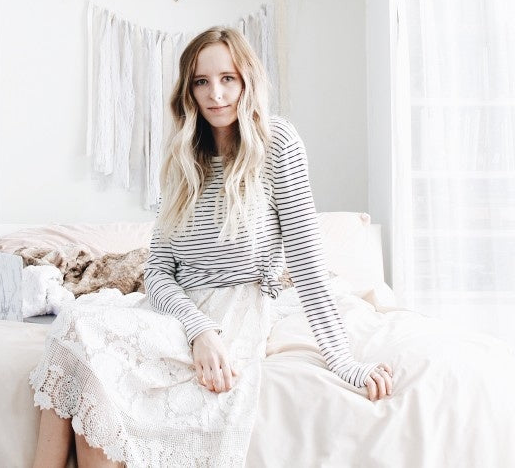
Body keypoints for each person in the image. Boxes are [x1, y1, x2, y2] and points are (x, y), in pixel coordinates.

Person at [30, 26, 394, 468]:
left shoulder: (277, 142)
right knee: (77, 336)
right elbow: (159, 272)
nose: (216, 94)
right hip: (178, 310)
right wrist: (198, 330)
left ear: (247, 82)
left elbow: (308, 263)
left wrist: (346, 362)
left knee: (80, 346)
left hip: (238, 312)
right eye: (201, 81)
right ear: (189, 90)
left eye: (228, 79)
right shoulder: (181, 157)